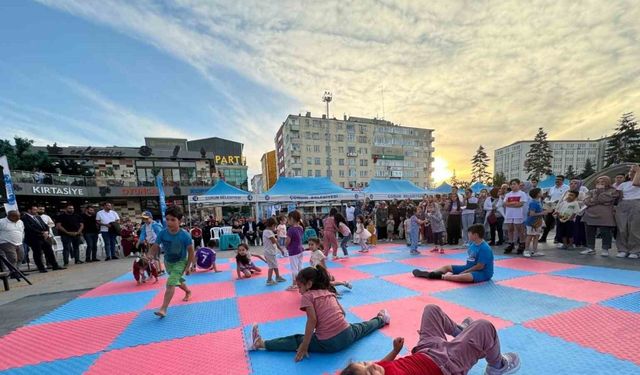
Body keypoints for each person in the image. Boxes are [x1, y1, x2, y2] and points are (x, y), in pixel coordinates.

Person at [248, 266, 390, 361]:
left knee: (297, 339)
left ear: (309, 284)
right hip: (347, 334)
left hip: (329, 344)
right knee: (362, 327)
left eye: (300, 286)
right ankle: (381, 319)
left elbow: (312, 321)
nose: (299, 290)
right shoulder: (329, 292)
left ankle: (261, 343)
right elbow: (343, 313)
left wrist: (304, 345)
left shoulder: (307, 296)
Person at [340, 304, 520, 375]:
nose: (371, 366)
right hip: (447, 364)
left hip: (426, 349)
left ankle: (461, 333)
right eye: (369, 373)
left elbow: (383, 363)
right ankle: (498, 366)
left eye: (364, 363)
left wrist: (395, 350)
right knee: (484, 326)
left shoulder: (379, 368)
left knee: (431, 309)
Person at [150, 206, 194, 318]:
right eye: (167, 219)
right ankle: (188, 291)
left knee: (170, 283)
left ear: (180, 221)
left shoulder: (185, 235)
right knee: (176, 281)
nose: (169, 222)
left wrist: (188, 266)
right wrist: (149, 255)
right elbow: (155, 246)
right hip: (168, 262)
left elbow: (191, 252)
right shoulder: (162, 233)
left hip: (180, 262)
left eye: (173, 220)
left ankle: (163, 309)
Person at [412, 224, 494, 283]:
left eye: (469, 233)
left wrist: (466, 271)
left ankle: (442, 277)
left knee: (463, 277)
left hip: (483, 273)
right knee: (447, 267)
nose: (467, 235)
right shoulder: (472, 244)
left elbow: (480, 266)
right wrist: (465, 269)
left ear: (475, 235)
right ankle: (431, 273)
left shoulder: (485, 248)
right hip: (469, 267)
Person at [580, 176, 619, 257]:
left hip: (605, 215)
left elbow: (604, 199)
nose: (600, 184)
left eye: (603, 182)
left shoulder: (613, 191)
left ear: (608, 182)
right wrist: (598, 200)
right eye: (598, 182)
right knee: (589, 231)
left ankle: (605, 249)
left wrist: (597, 196)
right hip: (590, 214)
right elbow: (586, 201)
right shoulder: (591, 191)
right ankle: (590, 248)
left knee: (605, 232)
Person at [22, 205, 64, 273]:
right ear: (29, 210)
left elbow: (45, 225)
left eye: (36, 209)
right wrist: (41, 233)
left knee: (49, 251)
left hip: (44, 237)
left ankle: (54, 265)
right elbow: (29, 228)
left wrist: (46, 231)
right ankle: (41, 267)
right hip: (34, 238)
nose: (36, 211)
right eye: (34, 210)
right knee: (38, 253)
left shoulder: (38, 217)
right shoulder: (25, 218)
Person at [615, 164, 640, 258]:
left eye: (633, 172)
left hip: (637, 203)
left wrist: (638, 170)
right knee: (622, 228)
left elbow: (636, 183)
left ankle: (635, 250)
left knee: (634, 228)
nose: (631, 173)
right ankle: (622, 249)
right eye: (630, 172)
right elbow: (619, 197)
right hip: (624, 204)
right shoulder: (623, 184)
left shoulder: (637, 181)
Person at [540, 175, 568, 242]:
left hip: (560, 208)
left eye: (559, 179)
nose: (557, 181)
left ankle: (557, 238)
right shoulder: (552, 188)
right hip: (551, 207)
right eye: (556, 179)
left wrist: (559, 201)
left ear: (562, 180)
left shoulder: (566, 188)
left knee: (559, 223)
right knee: (548, 223)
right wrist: (546, 199)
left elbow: (566, 197)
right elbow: (549, 197)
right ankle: (543, 238)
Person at [503, 179, 527, 254]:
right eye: (511, 184)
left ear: (518, 185)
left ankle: (522, 243)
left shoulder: (522, 194)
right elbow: (505, 204)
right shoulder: (508, 194)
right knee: (510, 229)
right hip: (509, 214)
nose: (512, 185)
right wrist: (514, 203)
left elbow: (520, 204)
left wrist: (510, 204)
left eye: (514, 184)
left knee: (519, 229)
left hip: (518, 214)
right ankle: (511, 243)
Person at [262, 218, 287, 285]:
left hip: (271, 252)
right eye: (275, 226)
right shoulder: (268, 232)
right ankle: (269, 280)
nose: (275, 228)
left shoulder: (267, 231)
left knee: (275, 265)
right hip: (269, 252)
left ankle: (278, 277)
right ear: (272, 225)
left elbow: (273, 241)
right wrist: (281, 249)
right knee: (271, 266)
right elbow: (274, 241)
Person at [524, 188, 547, 258]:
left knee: (536, 236)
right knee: (529, 236)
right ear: (537, 194)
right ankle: (526, 250)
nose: (542, 193)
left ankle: (535, 251)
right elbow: (531, 214)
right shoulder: (533, 203)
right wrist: (542, 213)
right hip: (532, 222)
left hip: (537, 222)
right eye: (540, 192)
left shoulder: (538, 202)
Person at [286, 210, 305, 291]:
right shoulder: (300, 227)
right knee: (300, 267)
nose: (287, 221)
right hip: (300, 250)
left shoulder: (291, 230)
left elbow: (288, 241)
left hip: (293, 251)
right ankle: (302, 282)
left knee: (294, 268)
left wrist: (286, 246)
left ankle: (295, 284)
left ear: (292, 219)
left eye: (288, 219)